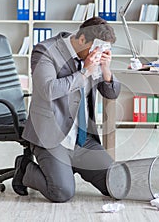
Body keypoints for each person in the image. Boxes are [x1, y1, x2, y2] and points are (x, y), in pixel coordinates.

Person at [12, 17, 121, 202]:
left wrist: (105, 70)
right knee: (62, 192)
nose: (98, 53)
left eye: (104, 50)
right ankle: (25, 170)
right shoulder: (46, 51)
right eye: (96, 48)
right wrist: (84, 72)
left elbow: (111, 93)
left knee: (116, 185)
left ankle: (68, 167)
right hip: (52, 136)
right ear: (81, 40)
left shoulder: (92, 58)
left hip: (83, 138)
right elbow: (48, 90)